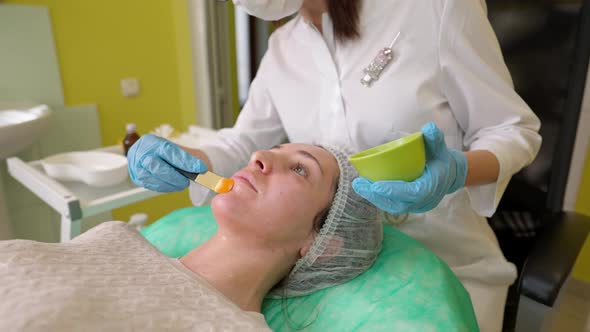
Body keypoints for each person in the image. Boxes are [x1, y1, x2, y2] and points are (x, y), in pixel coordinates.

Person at [127, 0, 542, 330]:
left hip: (447, 257)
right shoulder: (283, 48)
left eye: (301, 167)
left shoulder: (435, 8)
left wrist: (456, 171)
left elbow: (514, 130)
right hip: (329, 269)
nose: (262, 162)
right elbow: (246, 141)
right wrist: (190, 160)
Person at [0, 144, 383, 331]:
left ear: (320, 243)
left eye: (300, 170)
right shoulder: (119, 237)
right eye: (276, 147)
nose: (260, 154)